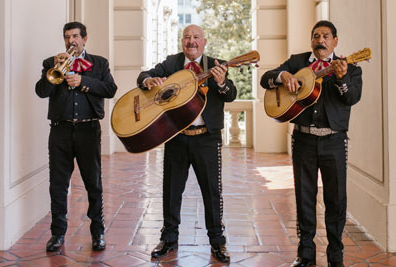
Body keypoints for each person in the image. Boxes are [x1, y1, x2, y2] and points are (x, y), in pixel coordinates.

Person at [261, 20, 362, 267]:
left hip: (334, 141)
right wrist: (283, 76)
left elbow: (352, 97)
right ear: (311, 41)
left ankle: (335, 256)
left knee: (336, 200)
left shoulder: (350, 67)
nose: (321, 40)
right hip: (303, 139)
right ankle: (305, 254)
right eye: (316, 36)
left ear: (335, 41)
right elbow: (266, 79)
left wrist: (341, 79)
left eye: (326, 36)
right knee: (304, 197)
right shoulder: (297, 62)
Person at [137, 24, 237, 263]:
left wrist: (222, 83)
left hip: (207, 138)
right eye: (187, 37)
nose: (191, 41)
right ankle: (169, 238)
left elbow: (230, 94)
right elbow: (143, 76)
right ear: (182, 42)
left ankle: (217, 241)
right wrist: (149, 80)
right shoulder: (172, 63)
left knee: (212, 192)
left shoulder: (216, 64)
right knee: (171, 191)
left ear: (204, 42)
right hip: (176, 137)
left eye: (196, 37)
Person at [35, 21, 117, 252]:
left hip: (88, 131)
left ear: (85, 38)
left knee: (94, 184)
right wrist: (56, 70)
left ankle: (97, 232)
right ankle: (57, 234)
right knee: (58, 185)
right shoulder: (51, 63)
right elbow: (42, 92)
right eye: (67, 37)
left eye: (75, 36)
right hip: (60, 131)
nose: (71, 41)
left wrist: (84, 82)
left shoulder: (99, 63)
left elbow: (111, 89)